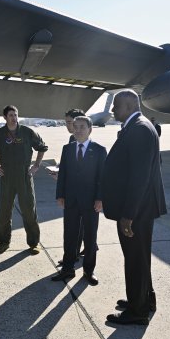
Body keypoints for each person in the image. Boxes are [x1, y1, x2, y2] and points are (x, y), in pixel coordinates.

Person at [101, 90, 166, 326]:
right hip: (140, 207)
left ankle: (137, 312)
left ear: (128, 106)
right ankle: (143, 300)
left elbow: (140, 177)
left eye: (116, 106)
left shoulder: (139, 129)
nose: (112, 110)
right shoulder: (138, 125)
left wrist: (128, 215)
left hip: (137, 211)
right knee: (138, 257)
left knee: (135, 259)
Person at [0, 105, 48, 255]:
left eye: (16, 115)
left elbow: (42, 147)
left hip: (24, 176)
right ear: (5, 117)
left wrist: (36, 165)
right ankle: (3, 242)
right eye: (11, 115)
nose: (14, 118)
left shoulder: (27, 132)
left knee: (29, 211)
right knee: (4, 212)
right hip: (7, 177)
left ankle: (33, 243)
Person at [52, 116, 106, 286]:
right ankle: (67, 269)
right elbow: (63, 174)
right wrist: (60, 195)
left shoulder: (99, 150)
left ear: (90, 129)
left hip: (91, 202)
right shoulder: (67, 149)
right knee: (69, 236)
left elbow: (103, 178)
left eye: (82, 127)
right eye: (75, 127)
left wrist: (100, 198)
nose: (78, 130)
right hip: (71, 201)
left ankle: (88, 271)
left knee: (90, 238)